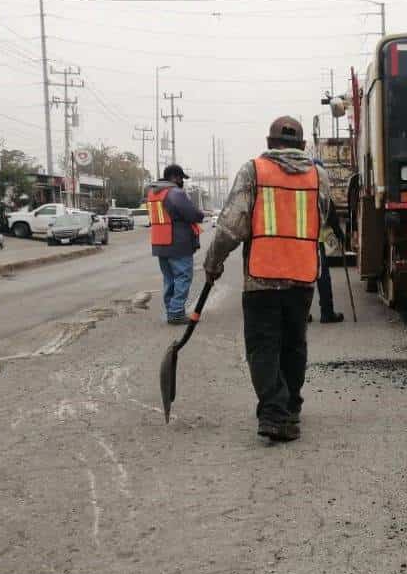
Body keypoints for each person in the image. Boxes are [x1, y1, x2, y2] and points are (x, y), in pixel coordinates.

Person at [203, 116, 331, 442]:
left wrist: (213, 261)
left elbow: (233, 225)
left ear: (269, 143)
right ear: (302, 146)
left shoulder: (254, 170)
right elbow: (323, 215)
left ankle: (275, 414)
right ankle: (291, 405)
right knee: (294, 344)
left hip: (262, 277)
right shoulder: (319, 175)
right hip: (302, 276)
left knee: (263, 346)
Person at [145, 164, 203, 325]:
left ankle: (171, 310)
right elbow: (193, 214)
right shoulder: (175, 193)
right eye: (181, 178)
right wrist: (201, 214)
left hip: (160, 242)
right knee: (183, 277)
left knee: (169, 279)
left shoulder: (153, 193)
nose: (182, 182)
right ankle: (176, 312)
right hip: (178, 243)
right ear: (175, 177)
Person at [313, 201, 346, 324]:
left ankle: (301, 314)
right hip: (317, 238)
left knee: (301, 278)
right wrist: (338, 231)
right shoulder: (319, 184)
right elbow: (328, 208)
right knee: (323, 276)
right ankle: (327, 313)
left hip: (298, 238)